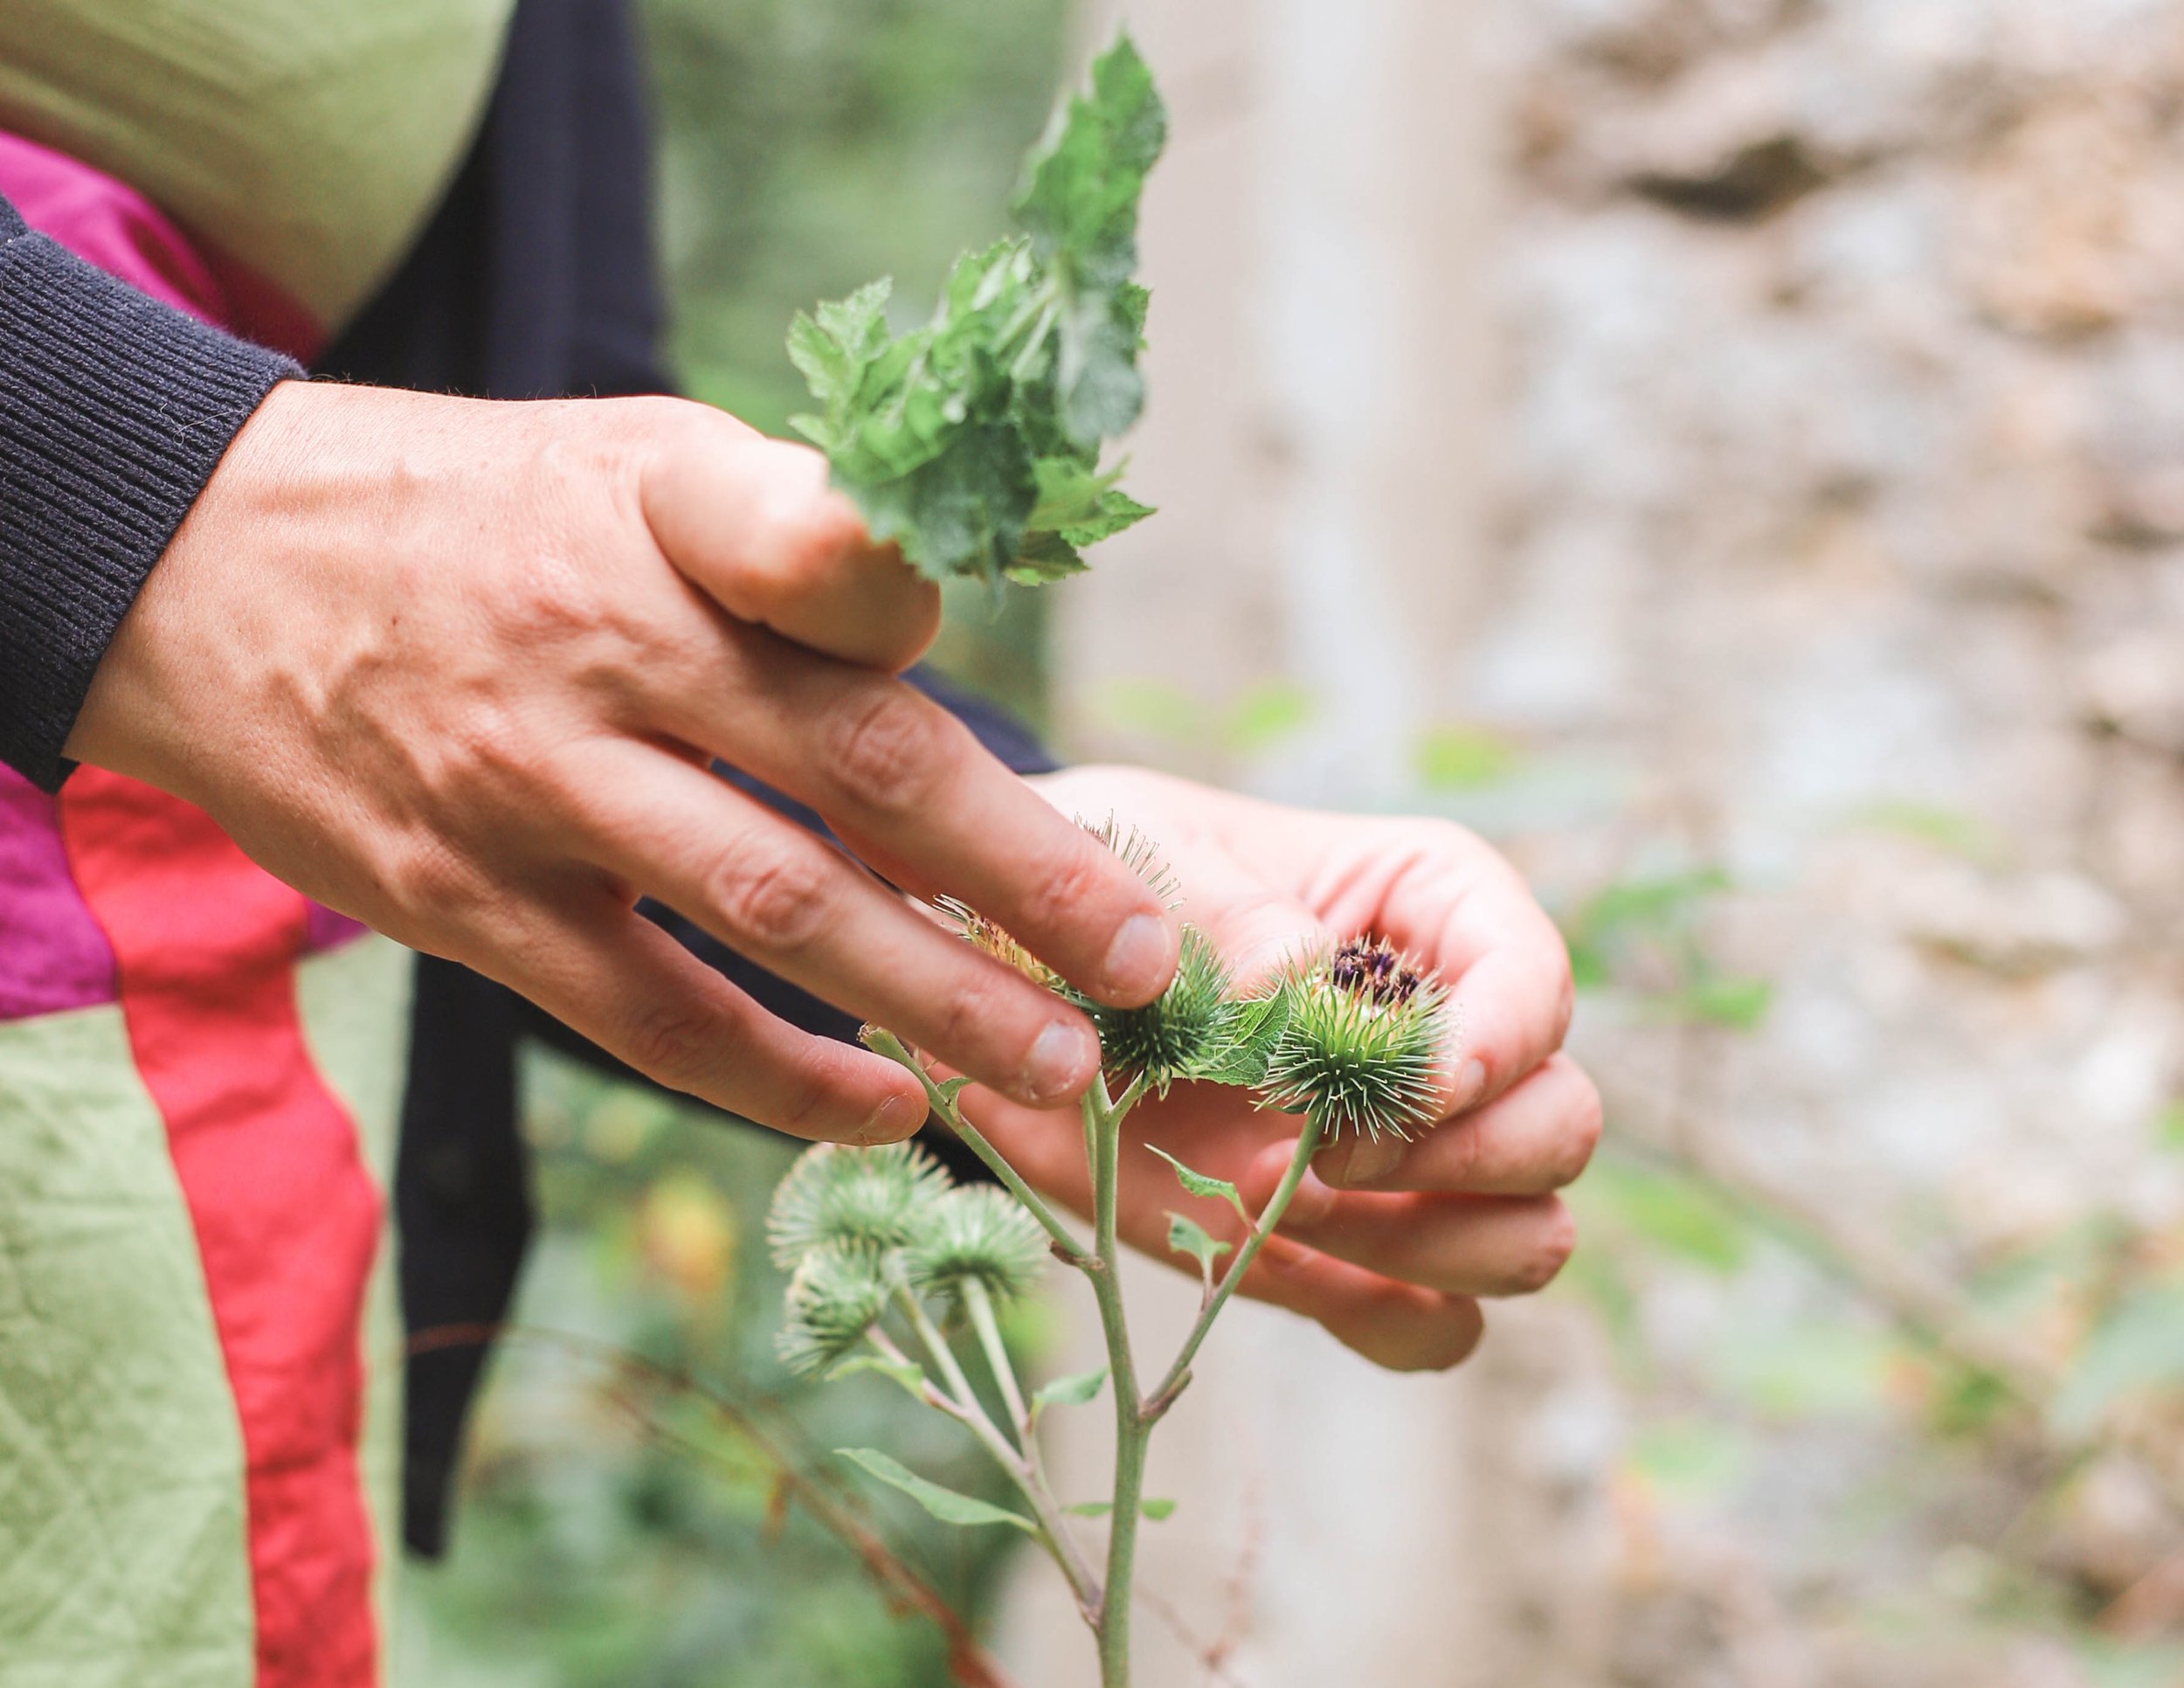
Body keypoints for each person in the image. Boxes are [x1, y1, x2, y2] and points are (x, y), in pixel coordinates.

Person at [0, 1, 1600, 1681]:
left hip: (233, 1117)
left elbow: (525, 504)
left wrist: (1004, 888)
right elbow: (305, 533)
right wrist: (152, 506)